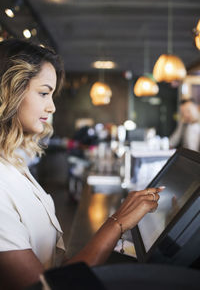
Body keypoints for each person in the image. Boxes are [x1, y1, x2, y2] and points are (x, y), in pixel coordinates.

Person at [0, 39, 163, 290]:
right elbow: (45, 287)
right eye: (44, 93)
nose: (51, 106)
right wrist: (117, 223)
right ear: (9, 90)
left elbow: (53, 265)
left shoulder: (13, 164)